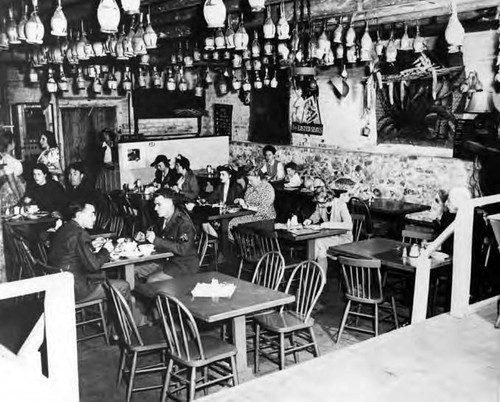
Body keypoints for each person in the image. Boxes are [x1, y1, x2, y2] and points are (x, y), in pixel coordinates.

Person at [48, 200, 130, 303]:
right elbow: (94, 266)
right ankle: (125, 319)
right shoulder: (80, 233)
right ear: (79, 214)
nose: (95, 218)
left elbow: (73, 250)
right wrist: (106, 250)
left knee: (105, 278)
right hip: (77, 289)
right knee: (123, 286)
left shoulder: (65, 228)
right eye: (92, 214)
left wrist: (90, 245)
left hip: (60, 285)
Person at [135, 188, 199, 283]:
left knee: (151, 280)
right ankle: (133, 298)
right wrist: (145, 237)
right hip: (167, 262)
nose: (155, 208)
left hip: (183, 266)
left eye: (159, 204)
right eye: (155, 204)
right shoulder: (162, 219)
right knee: (134, 271)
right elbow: (158, 236)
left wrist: (155, 240)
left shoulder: (183, 223)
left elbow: (182, 249)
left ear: (170, 203)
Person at [303, 187, 353, 274]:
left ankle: (307, 268)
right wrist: (310, 220)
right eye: (318, 202)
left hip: (344, 239)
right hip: (331, 237)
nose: (320, 205)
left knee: (318, 242)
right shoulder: (320, 204)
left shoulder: (341, 204)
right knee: (320, 248)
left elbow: (349, 225)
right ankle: (321, 279)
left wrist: (326, 225)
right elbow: (317, 214)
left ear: (330, 199)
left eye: (322, 203)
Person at [229, 167, 277, 232]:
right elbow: (247, 202)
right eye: (248, 180)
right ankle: (237, 242)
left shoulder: (267, 188)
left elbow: (263, 209)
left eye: (251, 180)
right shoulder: (250, 187)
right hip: (252, 216)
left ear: (258, 178)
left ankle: (242, 242)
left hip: (265, 219)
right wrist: (241, 202)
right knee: (232, 222)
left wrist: (247, 207)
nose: (249, 182)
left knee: (235, 225)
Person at [0, 129, 24, 206]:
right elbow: (11, 180)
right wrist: (18, 197)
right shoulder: (7, 159)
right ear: (10, 144)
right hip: (11, 192)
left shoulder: (6, 157)